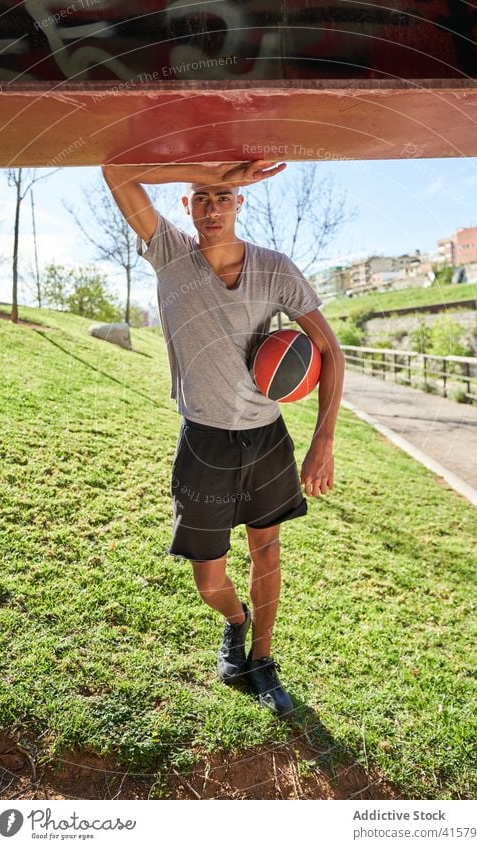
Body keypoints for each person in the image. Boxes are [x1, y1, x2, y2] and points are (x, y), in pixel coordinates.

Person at [102, 159, 345, 718]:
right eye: (202, 197)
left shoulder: (276, 269)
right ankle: (235, 623)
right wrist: (212, 170)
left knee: (268, 551)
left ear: (241, 204)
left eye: (225, 197)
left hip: (266, 440)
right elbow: (114, 168)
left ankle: (261, 659)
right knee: (208, 577)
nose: (213, 208)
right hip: (204, 442)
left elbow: (330, 349)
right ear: (186, 205)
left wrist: (323, 440)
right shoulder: (168, 252)